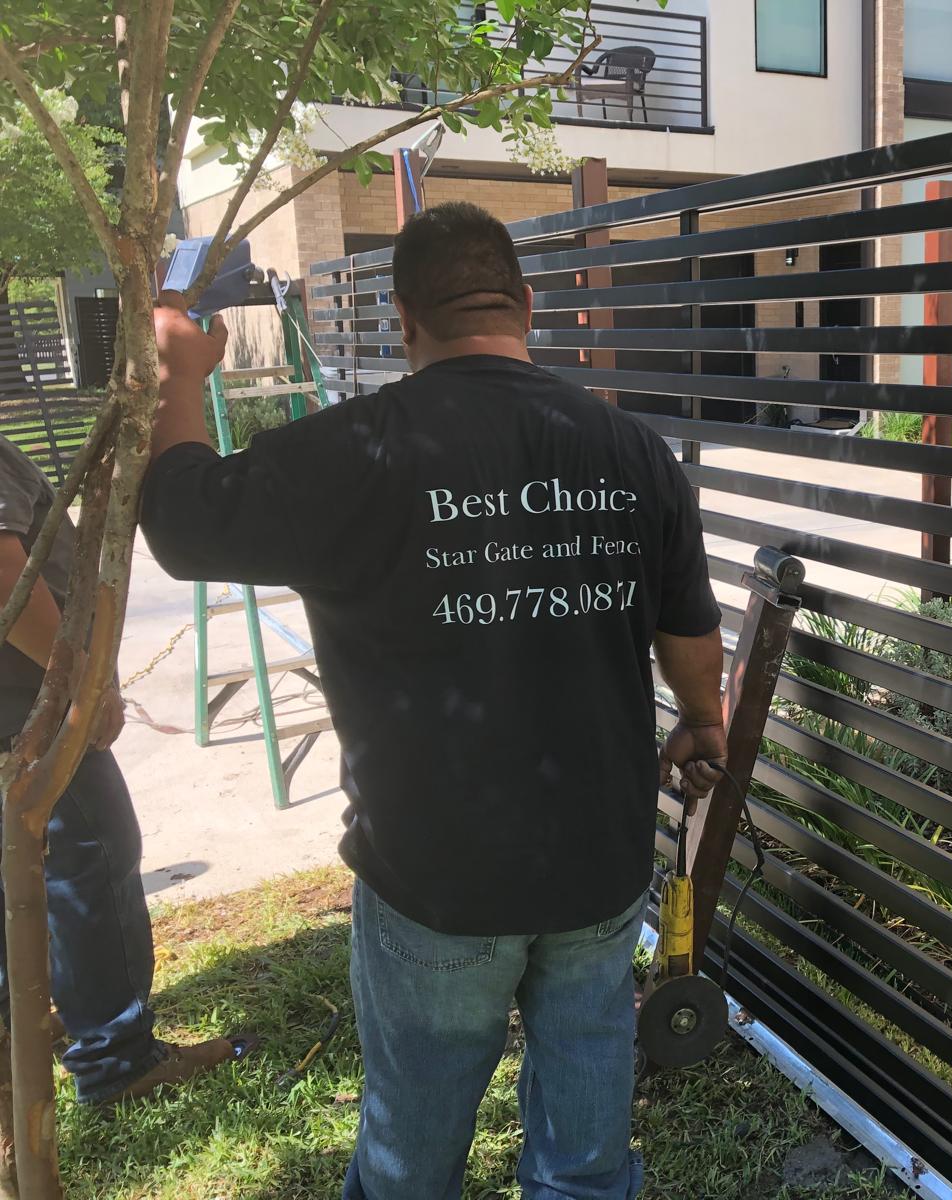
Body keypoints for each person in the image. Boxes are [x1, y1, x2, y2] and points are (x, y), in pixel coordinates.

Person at [141, 201, 729, 1200]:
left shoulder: (348, 452)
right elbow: (688, 635)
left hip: (436, 877)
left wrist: (180, 376)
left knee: (412, 1158)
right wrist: (704, 720)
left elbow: (184, 519)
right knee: (586, 1150)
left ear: (406, 319)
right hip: (598, 861)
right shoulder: (632, 453)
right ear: (527, 307)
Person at [0, 435, 238, 1109]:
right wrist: (82, 685)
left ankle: (23, 1028)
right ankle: (116, 1058)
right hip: (27, 710)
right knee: (93, 861)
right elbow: (2, 571)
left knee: (27, 873)